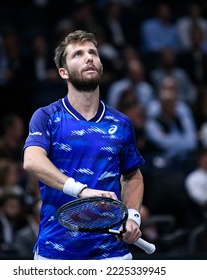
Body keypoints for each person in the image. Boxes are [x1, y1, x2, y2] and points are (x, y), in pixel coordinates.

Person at [22, 30, 145, 260]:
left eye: (93, 53)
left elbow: (132, 175)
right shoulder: (47, 116)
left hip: (112, 253)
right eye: (78, 54)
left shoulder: (121, 123)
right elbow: (32, 161)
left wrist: (133, 216)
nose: (89, 57)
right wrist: (82, 191)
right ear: (63, 72)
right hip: (56, 251)